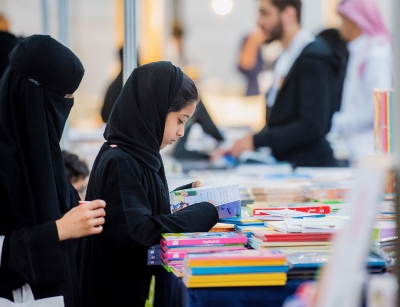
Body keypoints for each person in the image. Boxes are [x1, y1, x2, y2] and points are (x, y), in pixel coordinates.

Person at [75, 61, 219, 307]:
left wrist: (183, 196)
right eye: (180, 120)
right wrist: (202, 213)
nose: (182, 132)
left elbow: (139, 205)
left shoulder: (140, 153)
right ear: (156, 110)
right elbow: (138, 232)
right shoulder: (121, 160)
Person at [0, 35, 106, 307]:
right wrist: (58, 230)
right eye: (62, 98)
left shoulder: (41, 151)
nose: (65, 107)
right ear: (32, 94)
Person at [217, 0, 341, 168]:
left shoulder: (313, 58)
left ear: (289, 14)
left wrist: (255, 141)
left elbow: (311, 126)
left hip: (311, 169)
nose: (259, 21)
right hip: (290, 166)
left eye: (265, 13)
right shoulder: (286, 56)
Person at [329, 0, 393, 163]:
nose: (340, 26)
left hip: (369, 148)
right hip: (354, 147)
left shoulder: (376, 53)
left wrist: (338, 122)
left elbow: (378, 106)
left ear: (354, 20)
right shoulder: (360, 49)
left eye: (342, 20)